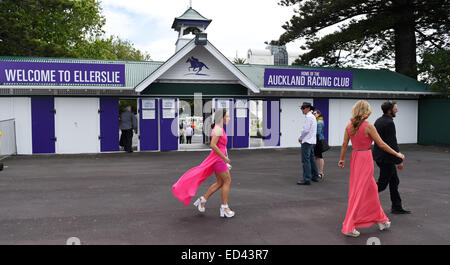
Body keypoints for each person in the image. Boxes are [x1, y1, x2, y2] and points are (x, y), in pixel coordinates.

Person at [338, 100, 405, 237]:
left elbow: (345, 144)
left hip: (356, 158)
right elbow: (381, 144)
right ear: (366, 111)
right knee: (360, 192)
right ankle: (350, 225)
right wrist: (397, 154)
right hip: (365, 158)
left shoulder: (349, 126)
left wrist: (342, 159)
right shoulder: (368, 126)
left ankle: (381, 219)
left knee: (372, 190)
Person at [172, 109, 235, 218]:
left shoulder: (219, 128)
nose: (229, 118)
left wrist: (225, 156)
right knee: (227, 181)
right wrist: (224, 158)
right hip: (218, 160)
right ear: (222, 118)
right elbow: (213, 145)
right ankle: (224, 207)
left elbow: (221, 146)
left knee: (220, 182)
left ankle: (203, 200)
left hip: (218, 160)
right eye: (227, 116)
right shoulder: (218, 129)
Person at [373, 101, 411, 214]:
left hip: (380, 157)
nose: (397, 110)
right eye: (395, 108)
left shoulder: (378, 121)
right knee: (382, 184)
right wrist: (399, 160)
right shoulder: (389, 123)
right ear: (389, 110)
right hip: (386, 159)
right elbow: (392, 143)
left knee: (394, 180)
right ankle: (362, 198)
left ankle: (397, 206)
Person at [297, 102, 320, 185]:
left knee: (305, 160)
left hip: (307, 141)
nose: (302, 110)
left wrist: (300, 138)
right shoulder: (312, 117)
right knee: (311, 159)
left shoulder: (309, 117)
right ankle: (315, 176)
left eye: (303, 108)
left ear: (308, 108)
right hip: (312, 141)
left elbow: (306, 130)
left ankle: (307, 179)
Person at [313, 109, 326, 180]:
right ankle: (319, 172)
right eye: (313, 113)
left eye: (315, 113)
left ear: (318, 114)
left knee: (319, 156)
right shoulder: (319, 121)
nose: (314, 115)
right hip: (318, 140)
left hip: (318, 140)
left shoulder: (319, 122)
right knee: (317, 156)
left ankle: (320, 173)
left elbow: (317, 133)